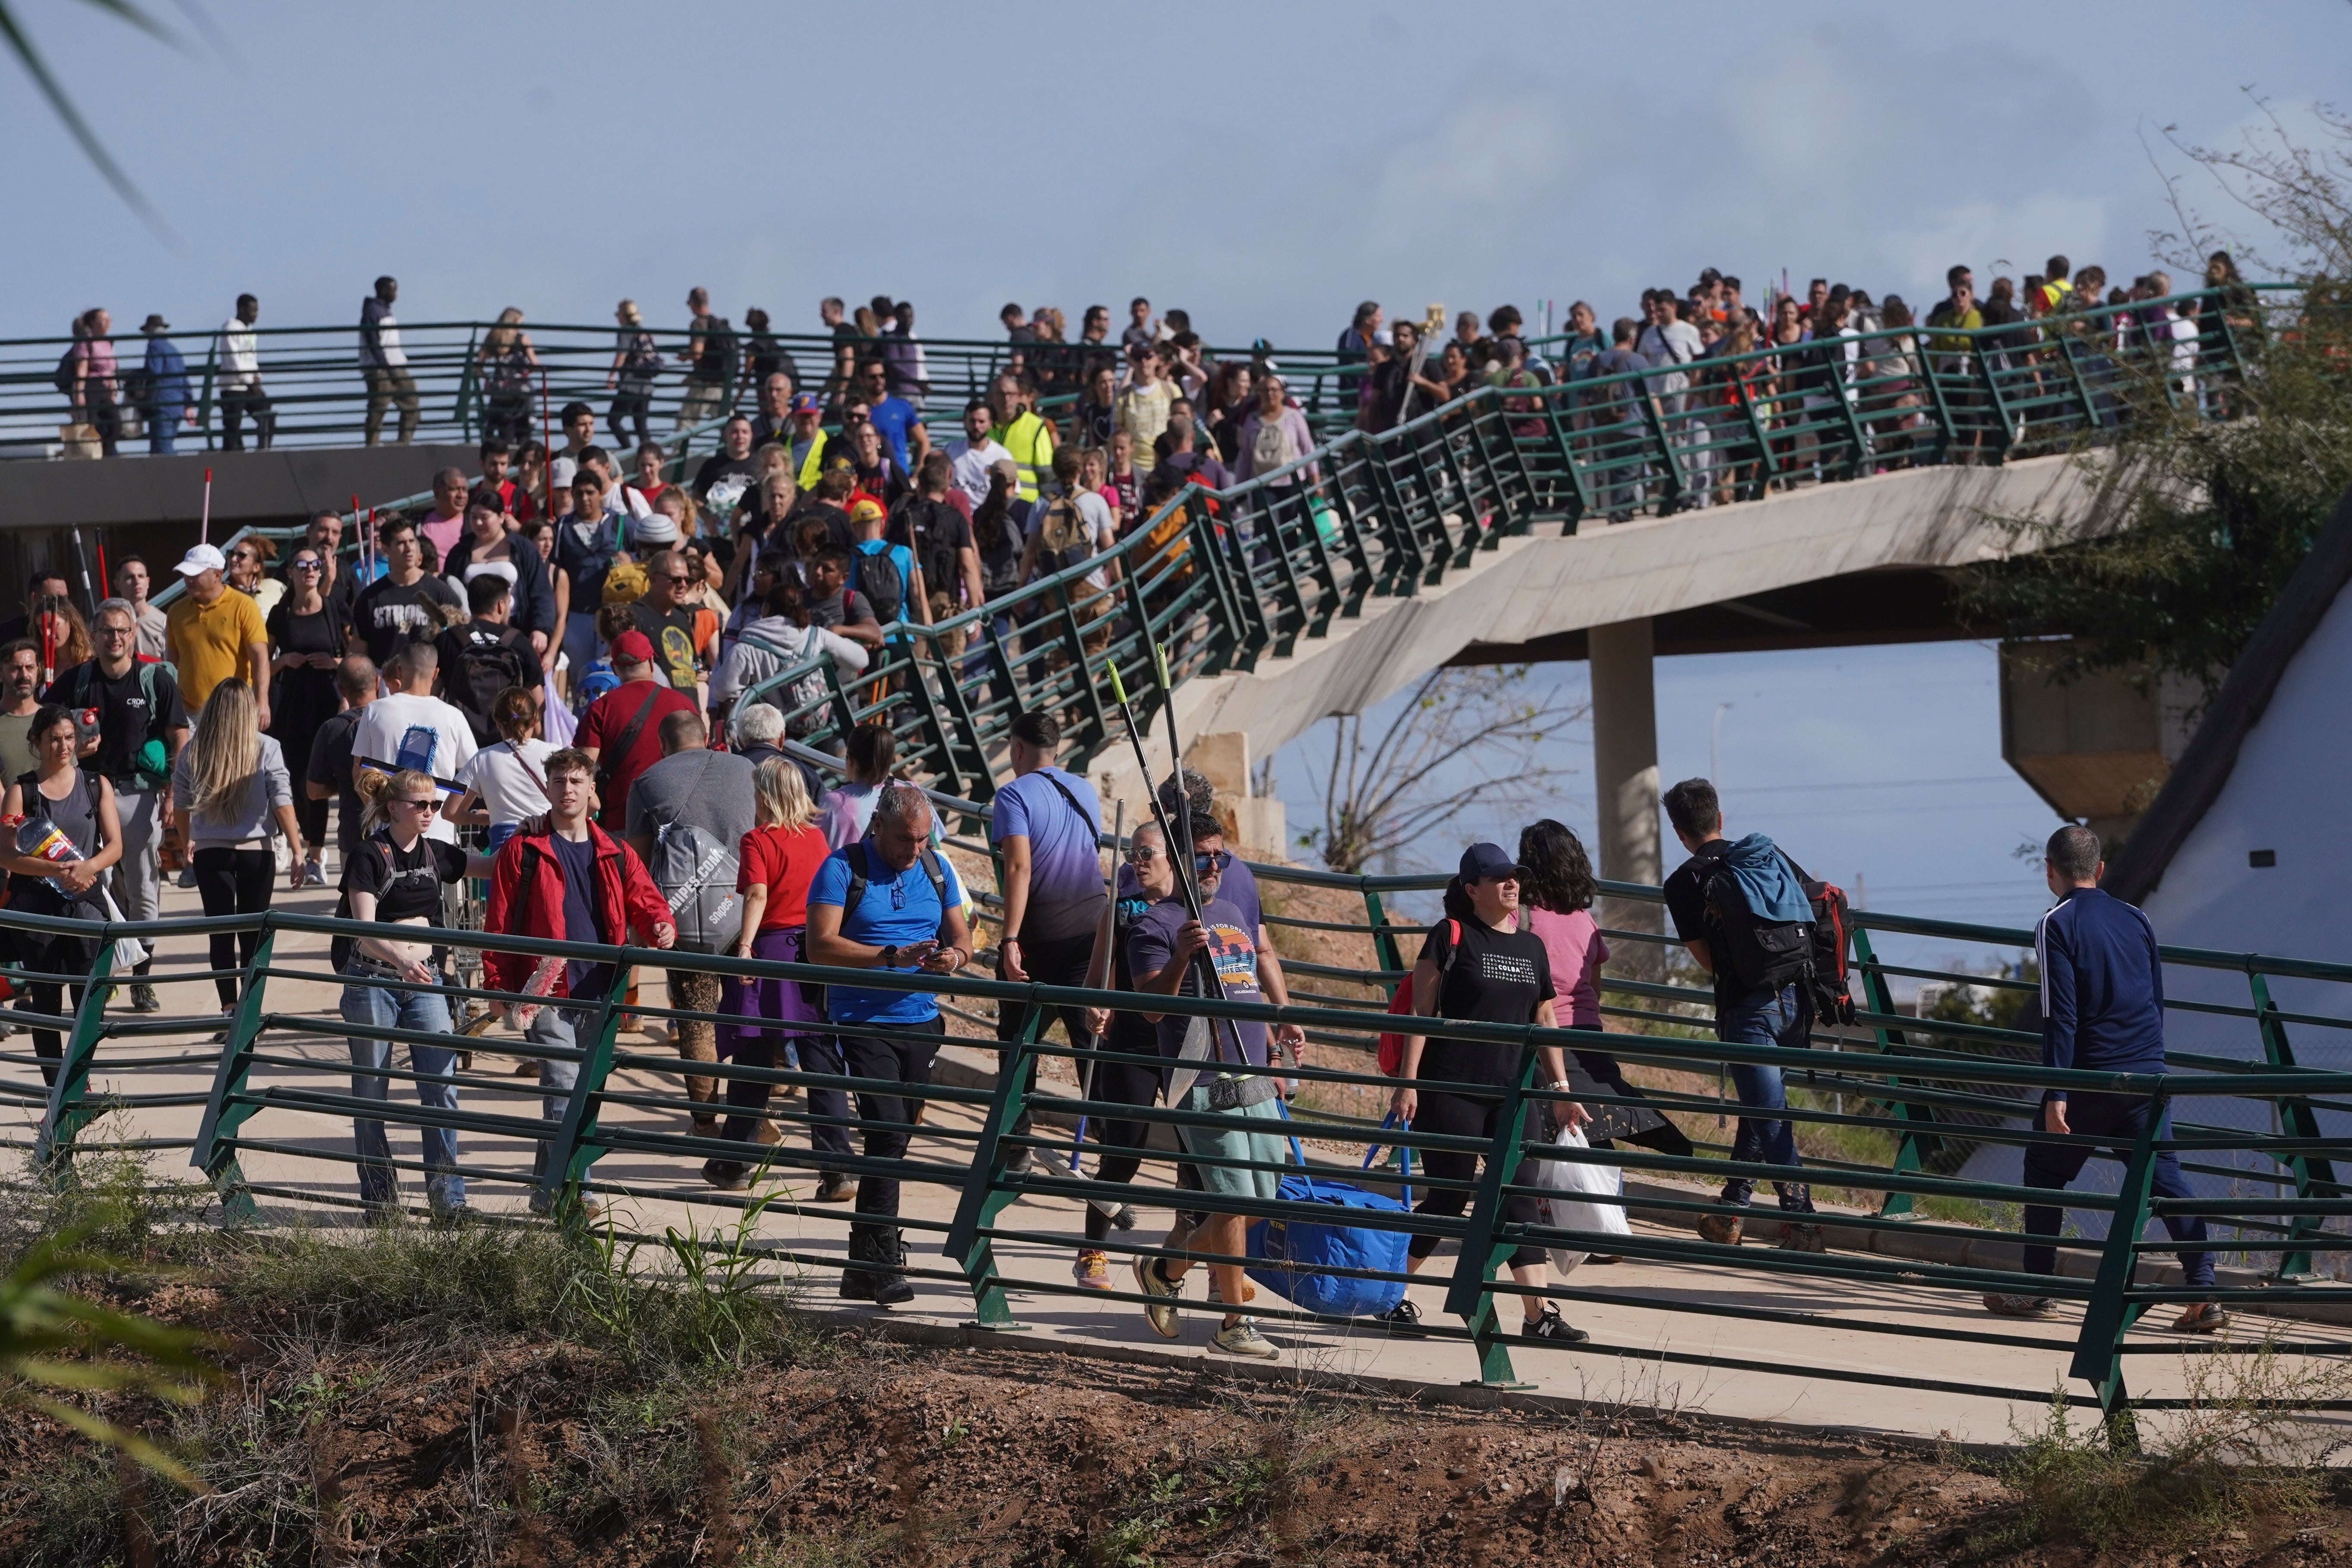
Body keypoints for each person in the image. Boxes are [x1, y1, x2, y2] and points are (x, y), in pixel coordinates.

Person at [1983, 826, 2229, 1331]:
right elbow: (2155, 998)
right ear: (2099, 869)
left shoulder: (2055, 923)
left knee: (2044, 1170)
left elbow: (2059, 1015)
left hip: (2090, 1080)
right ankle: (2204, 1293)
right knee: (2165, 1181)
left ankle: (2038, 1289)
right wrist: (2151, 1066)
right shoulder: (2136, 917)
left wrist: (2057, 1092)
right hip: (2146, 1075)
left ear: (2049, 871)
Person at [1381, 843, 1589, 1341]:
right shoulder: (1451, 935)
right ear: (1472, 890)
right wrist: (1408, 1084)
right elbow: (1421, 1014)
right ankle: (1387, 1295)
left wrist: (1561, 1089)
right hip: (1450, 1087)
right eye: (1498, 878)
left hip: (1515, 1093)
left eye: (1514, 876)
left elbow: (1544, 1016)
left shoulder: (1532, 946)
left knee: (1519, 1196)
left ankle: (1539, 1315)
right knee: (1448, 1197)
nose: (1511, 884)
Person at [1124, 816, 1302, 1359]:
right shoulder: (1153, 926)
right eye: (1202, 857)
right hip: (1201, 1079)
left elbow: (1247, 987)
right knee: (1231, 1203)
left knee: (1262, 1201)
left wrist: (1277, 1036)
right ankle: (1234, 1324)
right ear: (1179, 862)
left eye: (1220, 856)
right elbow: (1152, 1010)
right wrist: (1181, 955)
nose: (1214, 867)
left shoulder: (1231, 913)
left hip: (1254, 1075)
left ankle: (1165, 1269)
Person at [483, 747, 675, 1214]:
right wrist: (497, 985)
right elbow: (499, 921)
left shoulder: (615, 851)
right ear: (547, 788)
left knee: (577, 1094)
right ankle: (578, 1193)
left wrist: (660, 926)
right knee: (564, 1088)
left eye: (575, 781)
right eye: (558, 782)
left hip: (600, 989)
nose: (567, 790)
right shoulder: (523, 849)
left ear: (592, 789)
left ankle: (543, 1191)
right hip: (544, 989)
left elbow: (646, 900)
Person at [805, 783, 974, 1303]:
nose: (914, 850)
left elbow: (963, 939)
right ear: (877, 825)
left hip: (921, 1021)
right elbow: (819, 946)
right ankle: (883, 1263)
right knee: (886, 1133)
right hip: (863, 1020)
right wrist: (889, 957)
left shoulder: (936, 868)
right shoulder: (842, 868)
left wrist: (953, 959)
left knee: (895, 1139)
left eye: (922, 839)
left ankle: (859, 1268)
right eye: (905, 839)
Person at [1661, 777, 1823, 1250]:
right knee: (1760, 1108)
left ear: (1679, 832)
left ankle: (1804, 1226)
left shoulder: (1683, 881)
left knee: (1767, 1115)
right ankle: (1731, 1211)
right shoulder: (1764, 855)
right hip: (1797, 1000)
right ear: (1719, 817)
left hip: (1748, 1009)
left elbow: (1708, 961)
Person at [336, 767, 470, 1220]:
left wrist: (531, 834)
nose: (430, 812)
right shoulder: (369, 855)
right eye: (421, 805)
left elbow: (490, 866)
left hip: (425, 981)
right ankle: (379, 1200)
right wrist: (399, 960)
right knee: (371, 1092)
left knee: (441, 1086)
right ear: (394, 807)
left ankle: (448, 1200)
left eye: (435, 804)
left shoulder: (437, 853)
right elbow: (364, 928)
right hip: (374, 980)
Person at [1517, 819, 1691, 1167]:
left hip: (1544, 1034)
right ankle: (1677, 1151)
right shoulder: (1584, 920)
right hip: (1587, 1032)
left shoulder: (1521, 918)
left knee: (1573, 1123)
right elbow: (1593, 986)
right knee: (1610, 1106)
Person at [47, 601, 186, 1011]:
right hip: (88, 794)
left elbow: (179, 735)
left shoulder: (155, 679)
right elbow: (43, 726)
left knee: (143, 886)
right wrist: (73, 751)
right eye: (107, 630)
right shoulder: (77, 681)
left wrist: (174, 793)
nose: (116, 638)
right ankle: (104, 972)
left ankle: (142, 978)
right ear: (93, 636)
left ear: (133, 634)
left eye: (123, 630)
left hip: (137, 794)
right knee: (97, 888)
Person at [625, 709, 756, 1135]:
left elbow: (638, 862)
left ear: (662, 745)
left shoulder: (646, 782)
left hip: (687, 920)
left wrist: (639, 927)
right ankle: (751, 1112)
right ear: (706, 736)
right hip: (748, 911)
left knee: (696, 1018)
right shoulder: (746, 769)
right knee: (750, 1014)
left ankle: (704, 1120)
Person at [704, 756, 832, 1193]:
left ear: (765, 795)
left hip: (772, 952)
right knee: (820, 1062)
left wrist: (745, 945)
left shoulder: (756, 840)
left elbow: (757, 893)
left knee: (753, 1058)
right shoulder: (817, 839)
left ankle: (734, 1163)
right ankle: (836, 1167)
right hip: (813, 953)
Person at [989, 710, 1108, 1174]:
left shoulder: (1012, 795)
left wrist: (1010, 938)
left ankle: (1015, 1148)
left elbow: (1019, 867)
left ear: (1017, 749)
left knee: (1017, 1046)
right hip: (1091, 932)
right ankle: (1113, 1150)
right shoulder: (1084, 790)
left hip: (1040, 937)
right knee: (1091, 1046)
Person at [171, 680, 303, 1024]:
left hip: (210, 851)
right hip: (257, 851)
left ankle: (229, 1008)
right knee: (254, 933)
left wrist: (188, 840)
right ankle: (250, 1008)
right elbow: (282, 799)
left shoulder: (194, 750)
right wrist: (297, 849)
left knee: (220, 933)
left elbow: (181, 803)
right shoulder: (268, 747)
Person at [2, 705, 122, 1080]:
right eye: (54, 739)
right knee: (46, 1004)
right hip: (38, 911)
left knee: (91, 1001)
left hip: (85, 906)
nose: (64, 746)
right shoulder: (21, 791)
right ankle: (56, 1091)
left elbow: (115, 845)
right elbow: (7, 855)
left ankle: (78, 1083)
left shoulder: (96, 784)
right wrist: (56, 870)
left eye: (70, 737)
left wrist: (89, 867)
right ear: (36, 741)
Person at [265, 544, 346, 885]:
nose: (310, 570)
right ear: (290, 573)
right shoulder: (280, 615)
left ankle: (315, 855)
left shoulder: (333, 609)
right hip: (292, 706)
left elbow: (357, 659)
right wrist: (284, 660)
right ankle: (306, 841)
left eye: (315, 565)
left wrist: (335, 663)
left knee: (321, 780)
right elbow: (263, 665)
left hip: (327, 702)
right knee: (297, 780)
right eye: (302, 565)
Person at [347, 644, 474, 842]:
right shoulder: (454, 716)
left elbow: (360, 772)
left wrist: (379, 811)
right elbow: (474, 775)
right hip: (440, 833)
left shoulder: (375, 711)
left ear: (399, 670)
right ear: (436, 674)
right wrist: (452, 813)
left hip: (388, 830)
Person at [577, 630, 696, 833]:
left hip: (622, 823)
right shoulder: (684, 705)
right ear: (651, 663)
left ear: (614, 669)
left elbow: (580, 770)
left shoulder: (600, 708)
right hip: (677, 823)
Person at [165, 544, 272, 730]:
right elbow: (172, 664)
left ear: (218, 575)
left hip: (233, 710)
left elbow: (260, 658)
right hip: (187, 713)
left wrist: (262, 701)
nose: (188, 579)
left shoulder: (244, 606)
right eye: (186, 574)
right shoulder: (176, 611)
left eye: (196, 574)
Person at [434, 575, 541, 746]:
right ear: (501, 605)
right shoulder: (519, 641)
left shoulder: (448, 638)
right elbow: (537, 698)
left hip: (459, 741)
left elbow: (433, 691)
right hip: (508, 742)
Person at [446, 685, 552, 854]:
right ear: (534, 720)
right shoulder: (554, 753)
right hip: (547, 848)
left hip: (505, 852)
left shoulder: (483, 758)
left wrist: (486, 818)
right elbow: (591, 805)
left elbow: (450, 812)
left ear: (498, 724)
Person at [351, 516, 463, 669]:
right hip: (384, 678)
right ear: (386, 550)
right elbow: (359, 651)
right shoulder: (370, 597)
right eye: (401, 543)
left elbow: (461, 638)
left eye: (412, 541)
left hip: (429, 677)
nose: (409, 548)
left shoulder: (439, 591)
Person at [359, 276, 417, 446]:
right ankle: (372, 447)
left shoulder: (382, 311)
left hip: (394, 367)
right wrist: (388, 368)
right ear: (384, 291)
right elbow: (375, 344)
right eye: (394, 290)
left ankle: (403, 444)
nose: (396, 295)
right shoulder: (373, 312)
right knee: (378, 410)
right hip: (381, 370)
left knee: (412, 405)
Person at [1234, 374, 1318, 487]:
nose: (1270, 394)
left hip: (1293, 481)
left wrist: (1315, 478)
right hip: (1261, 484)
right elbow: (1245, 456)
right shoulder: (1252, 420)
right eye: (1265, 391)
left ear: (1282, 393)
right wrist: (1239, 486)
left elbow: (1307, 448)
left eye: (1274, 390)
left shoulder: (1294, 417)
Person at [987, 373, 1056, 504]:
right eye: (1001, 394)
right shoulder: (983, 427)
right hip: (990, 504)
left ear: (1018, 396)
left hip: (1026, 504)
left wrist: (1048, 506)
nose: (1006, 399)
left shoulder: (1035, 426)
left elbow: (1047, 473)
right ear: (992, 397)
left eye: (1011, 394)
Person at [217, 293, 273, 451]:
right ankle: (230, 459)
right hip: (233, 386)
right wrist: (249, 381)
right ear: (241, 309)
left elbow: (251, 358)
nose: (256, 314)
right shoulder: (230, 329)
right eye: (253, 310)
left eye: (257, 310)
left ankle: (262, 453)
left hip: (249, 385)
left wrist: (257, 376)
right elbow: (234, 360)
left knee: (268, 415)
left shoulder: (249, 331)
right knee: (232, 428)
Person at [477, 307, 538, 448]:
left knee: (506, 437)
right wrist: (524, 374)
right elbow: (535, 364)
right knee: (524, 437)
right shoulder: (522, 338)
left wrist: (488, 380)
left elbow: (478, 366)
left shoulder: (493, 337)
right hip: (521, 393)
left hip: (501, 393)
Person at [677, 288, 737, 430]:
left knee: (685, 422)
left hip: (705, 384)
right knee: (729, 424)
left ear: (693, 303)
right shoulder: (718, 323)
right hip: (722, 383)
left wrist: (684, 357)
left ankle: (680, 447)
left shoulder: (698, 323)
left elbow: (697, 353)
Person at [608, 299, 661, 452]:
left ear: (623, 315)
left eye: (618, 314)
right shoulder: (643, 331)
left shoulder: (626, 331)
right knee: (641, 425)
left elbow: (622, 355)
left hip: (631, 384)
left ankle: (628, 451)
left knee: (613, 420)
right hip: (647, 385)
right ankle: (651, 454)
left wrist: (611, 375)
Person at [136, 314, 192, 456]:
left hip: (162, 403)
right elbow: (184, 379)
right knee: (165, 446)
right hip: (177, 404)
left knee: (161, 449)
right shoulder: (173, 349)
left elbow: (154, 371)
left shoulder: (154, 346)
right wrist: (188, 404)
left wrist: (137, 376)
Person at [0, 640, 43, 787]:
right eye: (16, 669)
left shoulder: (53, 720)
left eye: (30, 668)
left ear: (38, 670)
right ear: (1, 673)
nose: (24, 675)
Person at [113, 555, 168, 660]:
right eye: (130, 577)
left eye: (141, 576)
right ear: (117, 584)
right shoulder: (111, 624)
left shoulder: (164, 623)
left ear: (148, 582)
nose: (137, 581)